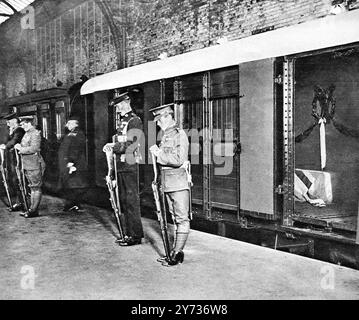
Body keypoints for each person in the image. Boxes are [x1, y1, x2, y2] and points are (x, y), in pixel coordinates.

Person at [149, 103, 191, 266]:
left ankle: (177, 252)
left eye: (160, 119)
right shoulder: (166, 135)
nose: (158, 123)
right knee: (173, 217)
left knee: (181, 218)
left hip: (178, 182)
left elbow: (179, 160)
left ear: (168, 116)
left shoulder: (179, 135)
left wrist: (159, 153)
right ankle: (174, 251)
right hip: (167, 182)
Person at [103, 92, 144, 246]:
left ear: (128, 102)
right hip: (121, 165)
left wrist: (113, 146)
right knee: (124, 201)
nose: (118, 109)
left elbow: (131, 145)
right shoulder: (124, 121)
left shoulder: (134, 121)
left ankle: (135, 235)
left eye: (120, 105)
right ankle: (129, 233)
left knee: (131, 201)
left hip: (129, 164)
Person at [14, 116, 46, 218]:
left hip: (34, 164)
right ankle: (32, 209)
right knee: (32, 188)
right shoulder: (28, 133)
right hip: (28, 164)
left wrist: (21, 148)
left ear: (29, 123)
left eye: (23, 124)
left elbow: (34, 148)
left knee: (36, 188)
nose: (22, 127)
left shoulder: (35, 133)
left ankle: (33, 210)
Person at [57, 117, 89, 212]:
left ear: (76, 124)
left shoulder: (77, 134)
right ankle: (73, 204)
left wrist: (71, 162)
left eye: (69, 123)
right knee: (71, 184)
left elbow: (75, 149)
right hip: (70, 163)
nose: (67, 125)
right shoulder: (73, 133)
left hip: (74, 164)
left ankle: (73, 204)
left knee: (74, 184)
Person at [0, 113, 25, 211]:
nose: (8, 124)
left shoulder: (19, 130)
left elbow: (14, 141)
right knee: (14, 181)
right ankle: (19, 202)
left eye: (9, 122)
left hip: (18, 160)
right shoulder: (12, 131)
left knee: (18, 181)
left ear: (15, 122)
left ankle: (23, 203)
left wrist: (5, 146)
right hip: (12, 160)